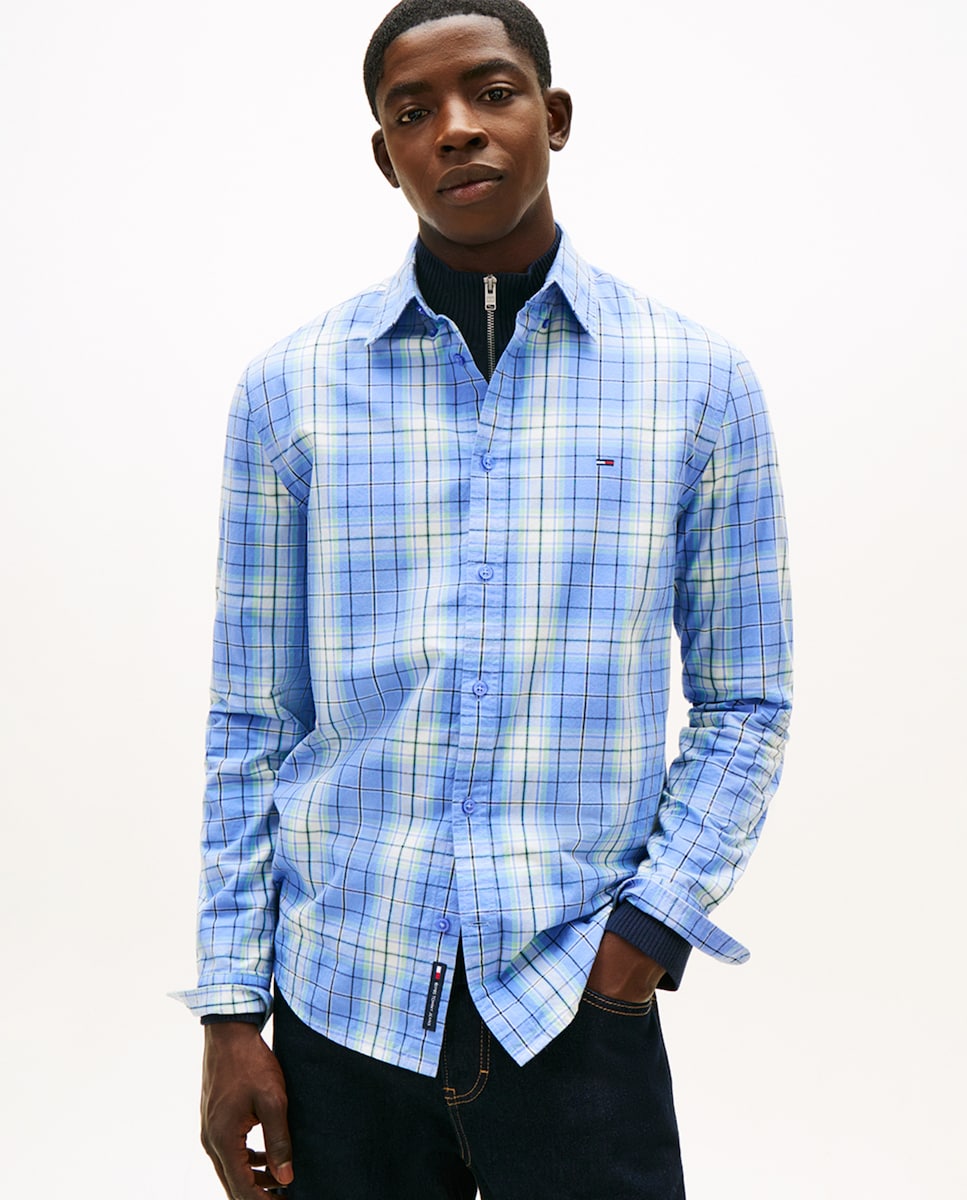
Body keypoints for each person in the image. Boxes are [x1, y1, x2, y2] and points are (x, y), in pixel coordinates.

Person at [173, 1, 793, 1196]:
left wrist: (644, 936)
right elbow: (251, 720)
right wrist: (231, 1008)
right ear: (386, 155)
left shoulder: (697, 385)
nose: (456, 129)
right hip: (338, 1006)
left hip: (571, 1006)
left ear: (553, 117)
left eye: (492, 93)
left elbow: (745, 702)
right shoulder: (288, 392)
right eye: (415, 112)